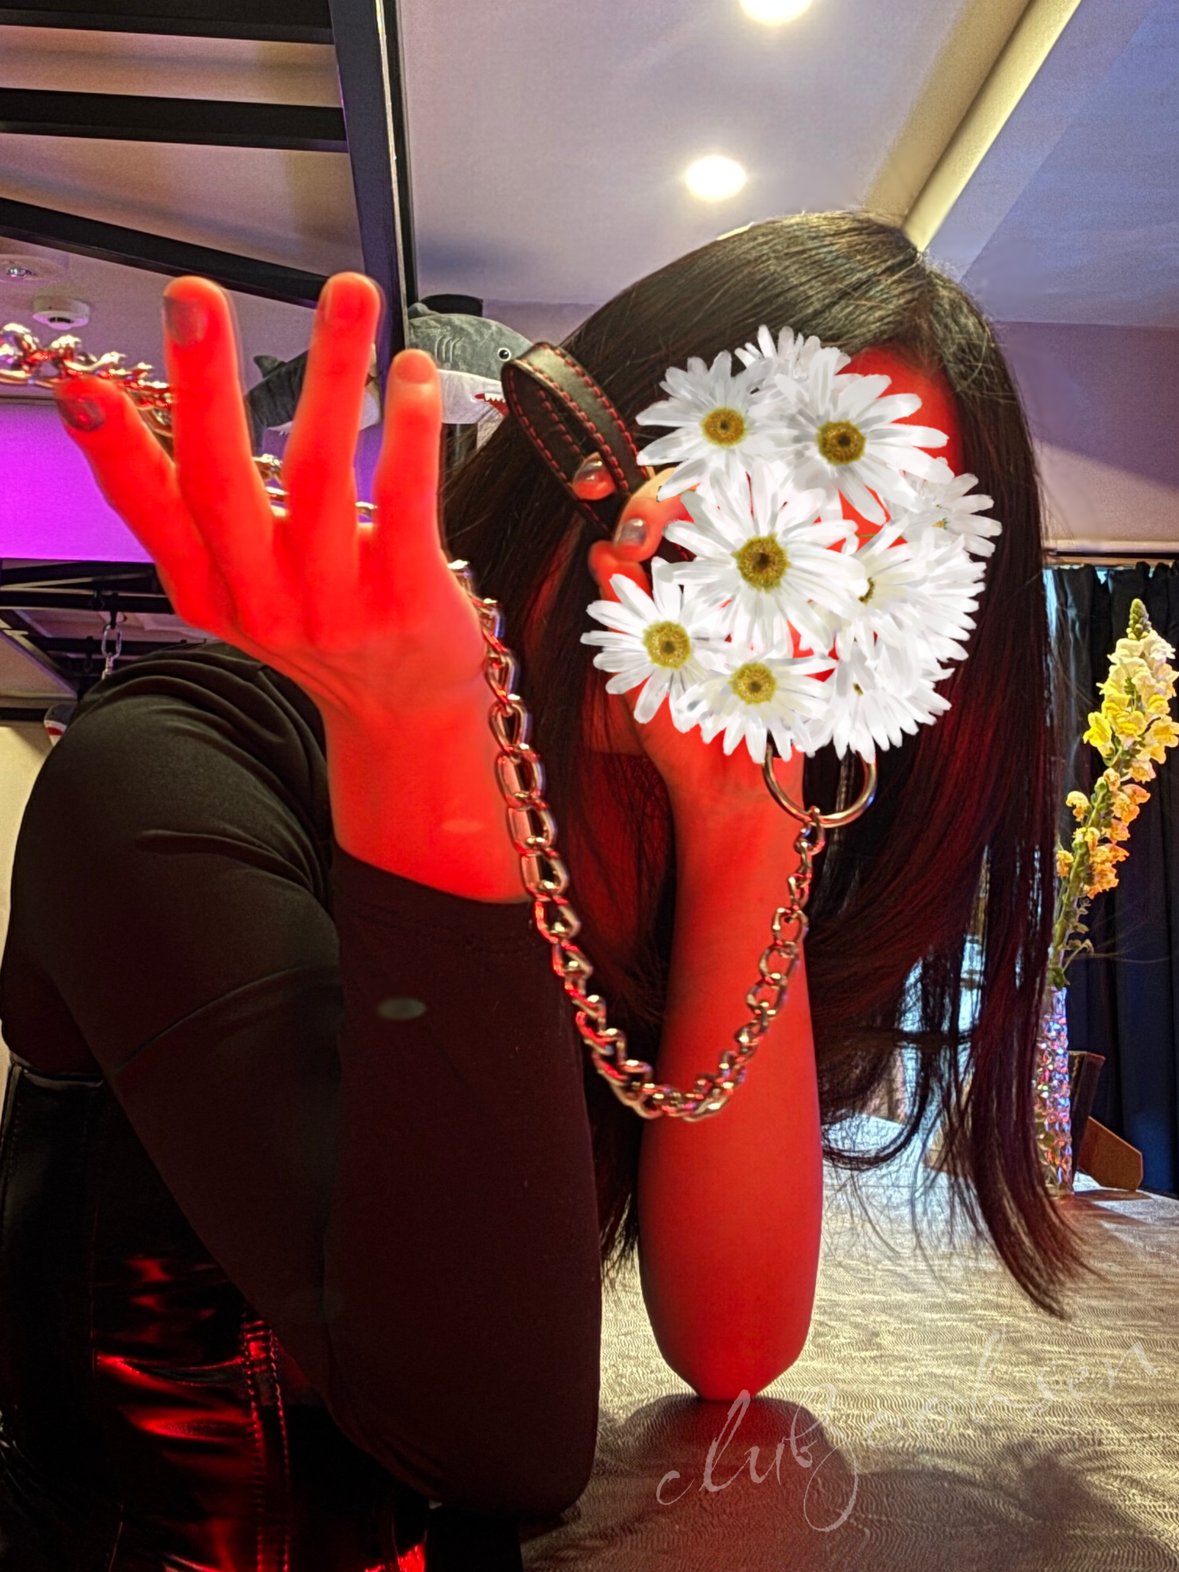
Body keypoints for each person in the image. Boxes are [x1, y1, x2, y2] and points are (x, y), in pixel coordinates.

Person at [0, 212, 1092, 1571]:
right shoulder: (177, 766)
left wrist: (738, 817)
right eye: (758, 517)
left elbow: (734, 1344)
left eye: (869, 574)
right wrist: (425, 746)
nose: (783, 614)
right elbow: (489, 1445)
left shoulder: (674, 819)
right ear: (590, 458)